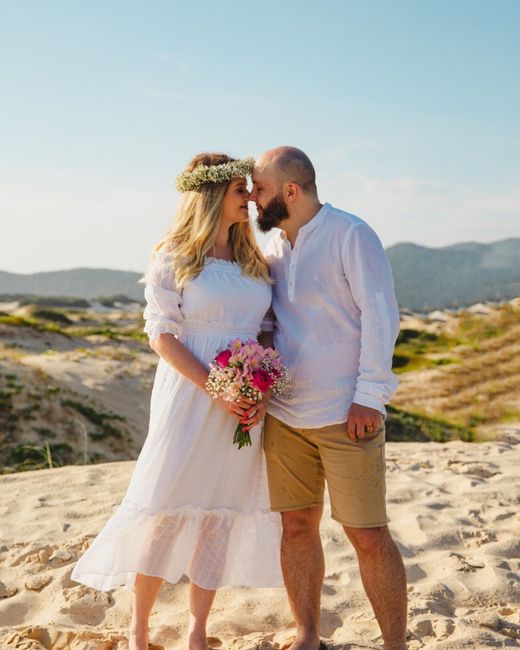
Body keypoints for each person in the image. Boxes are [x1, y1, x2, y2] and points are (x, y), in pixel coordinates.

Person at [71, 153, 282, 650]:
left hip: (245, 401)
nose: (250, 198)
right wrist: (217, 388)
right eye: (239, 190)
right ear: (210, 195)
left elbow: (269, 333)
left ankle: (196, 630)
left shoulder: (257, 259)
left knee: (219, 513)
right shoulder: (173, 254)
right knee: (165, 510)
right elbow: (161, 335)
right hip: (191, 394)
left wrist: (259, 392)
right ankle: (139, 630)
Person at [250, 146, 407, 650]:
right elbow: (271, 325)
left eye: (261, 190)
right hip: (286, 416)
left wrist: (369, 397)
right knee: (296, 526)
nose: (254, 199)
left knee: (367, 534)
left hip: (347, 414)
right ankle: (308, 635)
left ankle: (396, 644)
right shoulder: (273, 249)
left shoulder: (351, 234)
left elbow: (381, 317)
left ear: (290, 191)